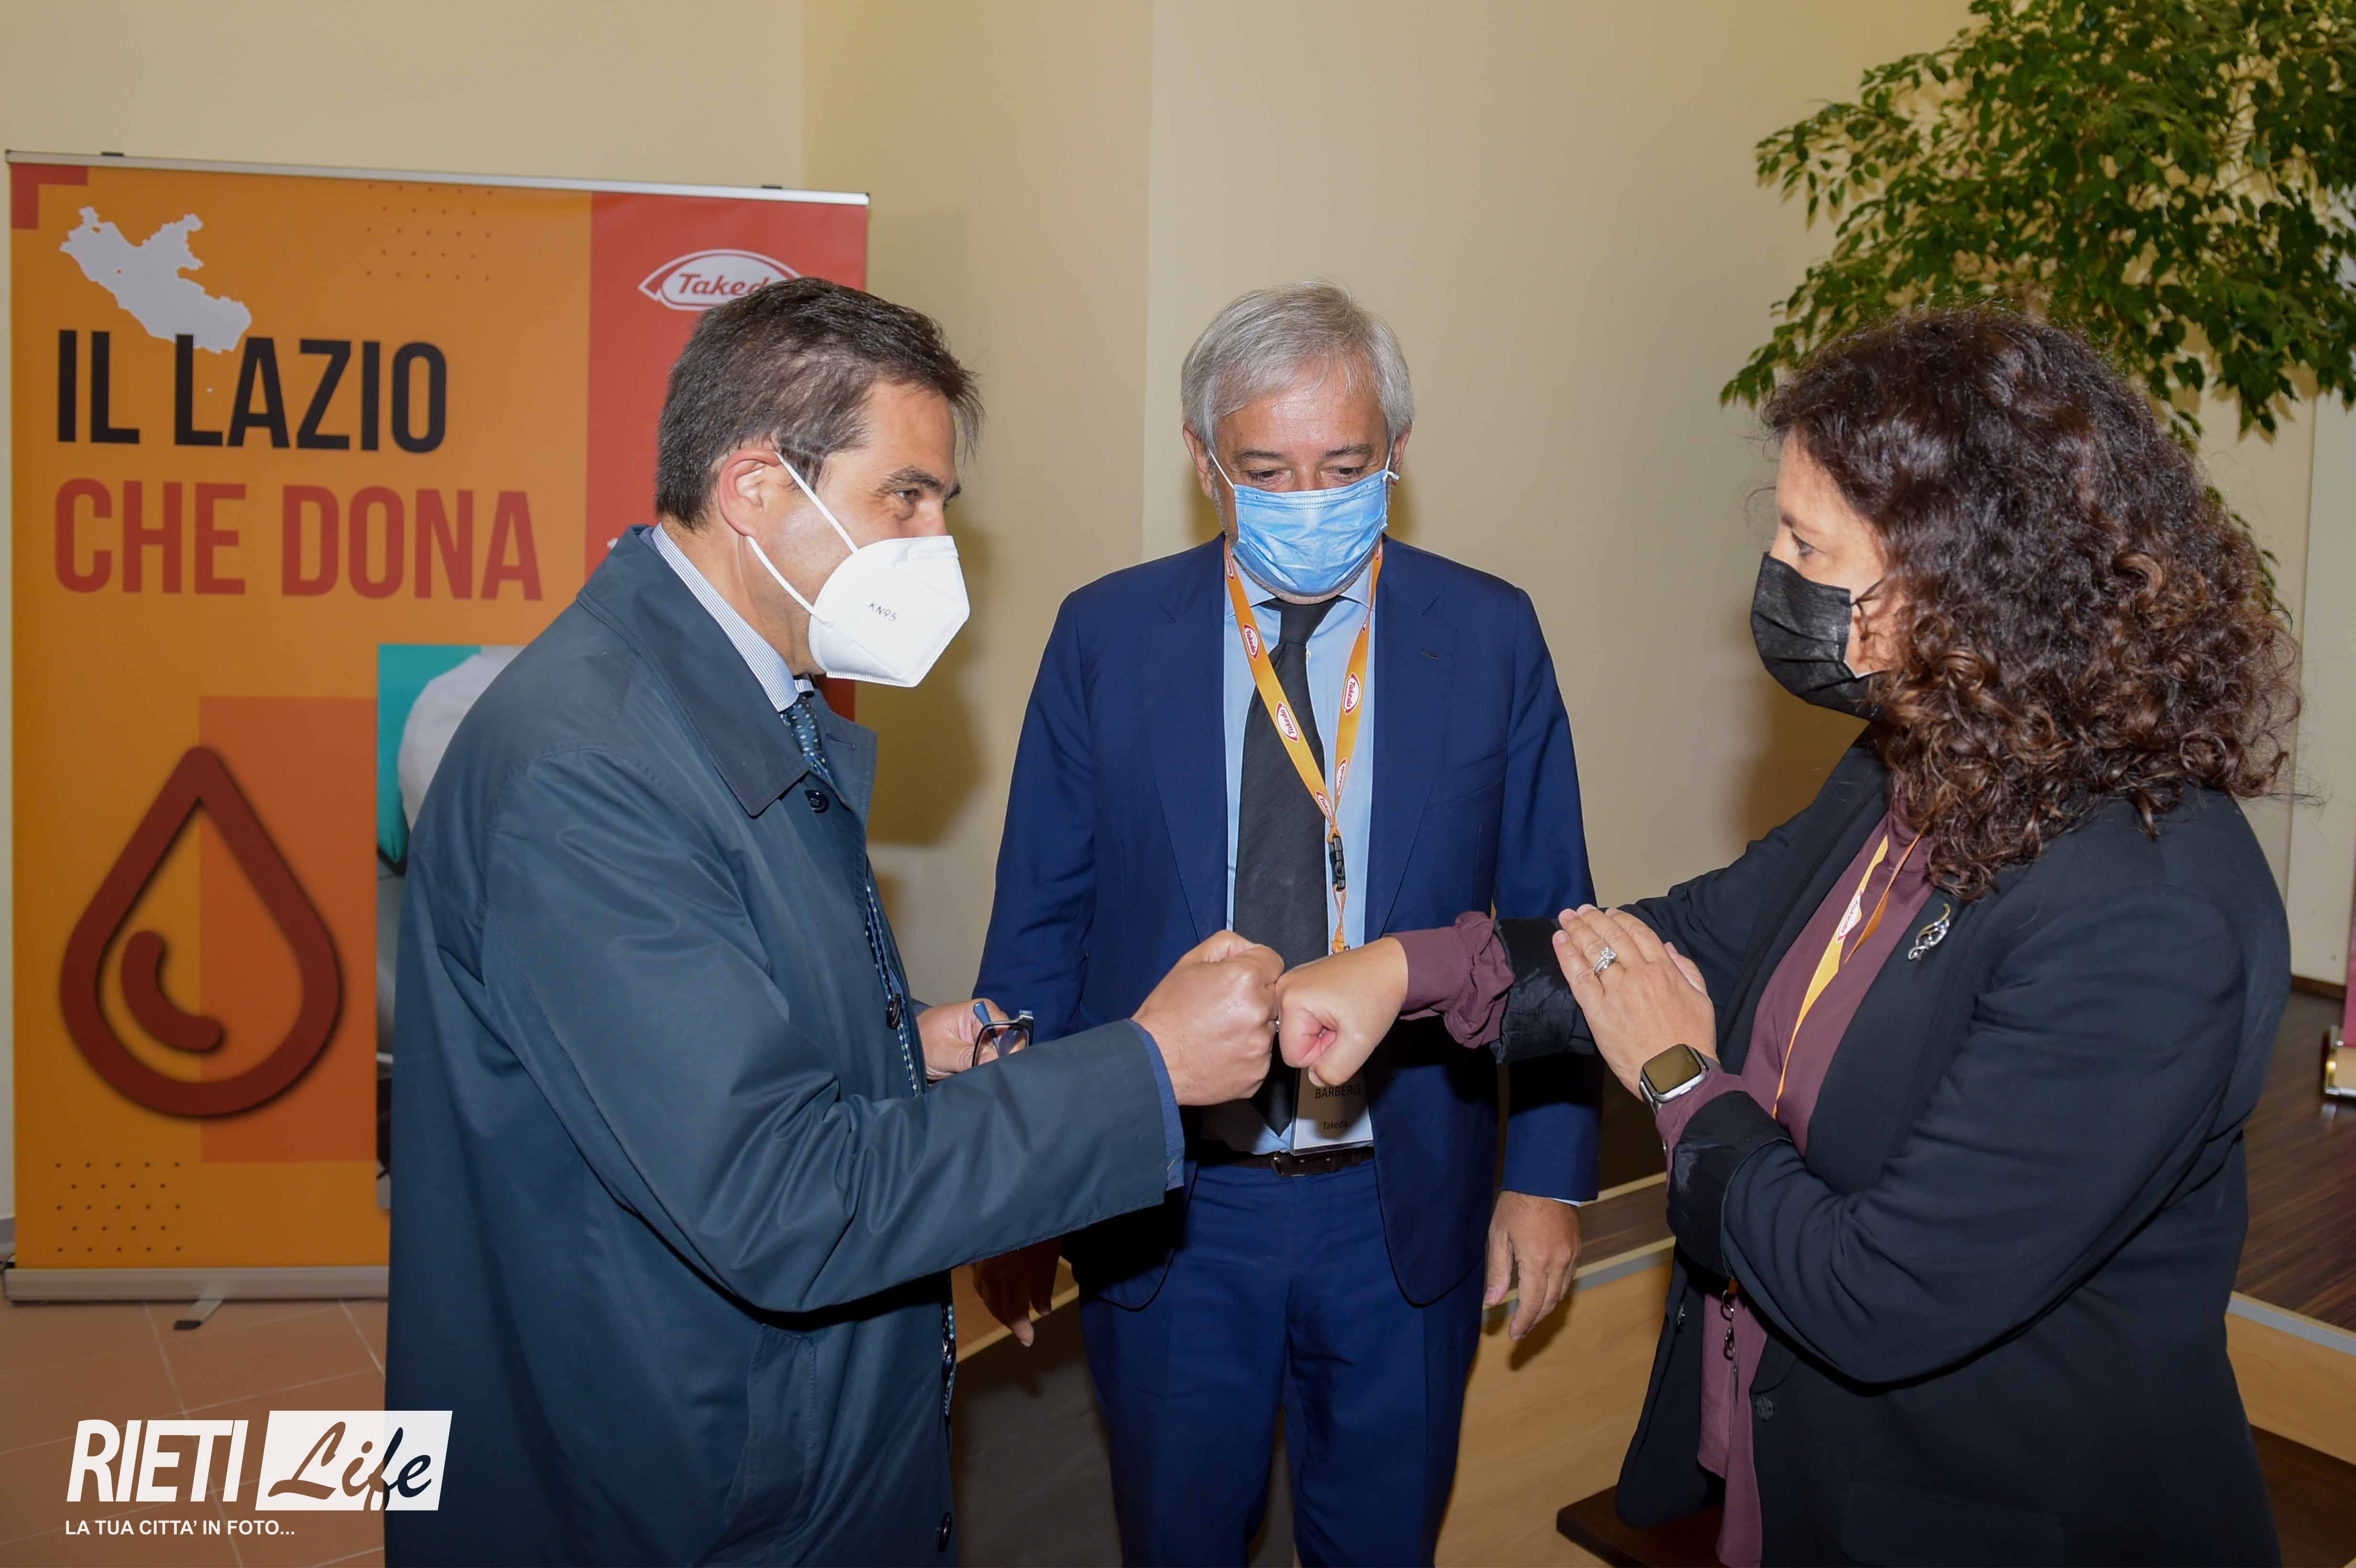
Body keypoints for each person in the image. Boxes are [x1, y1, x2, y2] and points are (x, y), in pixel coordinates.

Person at [1274, 310, 2297, 1566]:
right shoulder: (1914, 764)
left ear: (1970, 580)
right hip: (1799, 1470)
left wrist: (1679, 1079)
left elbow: (1880, 1293)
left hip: (1996, 1519)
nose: (1774, 573)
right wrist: (1408, 972)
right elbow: (1691, 941)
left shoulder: (2148, 913)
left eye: (1809, 547)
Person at [385, 278, 1287, 1567]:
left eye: (941, 504)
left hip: (760, 1435)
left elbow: (709, 1035)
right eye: (904, 498)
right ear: (757, 489)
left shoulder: (737, 699)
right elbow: (784, 1197)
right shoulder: (585, 770)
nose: (936, 544)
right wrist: (1146, 1069)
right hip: (678, 1481)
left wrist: (896, 1047)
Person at [971, 281, 1601, 1566]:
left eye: (1346, 466)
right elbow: (1041, 923)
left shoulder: (1488, 635)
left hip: (1401, 1200)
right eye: (1267, 470)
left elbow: (1551, 920)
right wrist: (1024, 1187)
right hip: (1172, 1207)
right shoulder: (1106, 637)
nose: (1309, 499)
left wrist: (1544, 1175)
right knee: (1176, 1537)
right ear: (1204, 463)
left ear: (1398, 453)